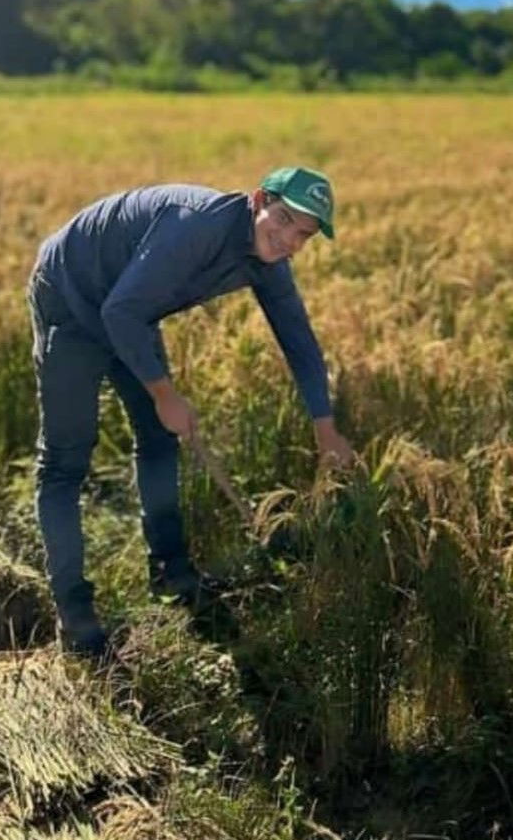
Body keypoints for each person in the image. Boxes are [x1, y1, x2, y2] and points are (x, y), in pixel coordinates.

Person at [27, 166, 353, 658]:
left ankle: (171, 572)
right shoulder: (195, 226)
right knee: (66, 462)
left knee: (159, 440)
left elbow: (299, 340)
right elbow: (120, 312)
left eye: (302, 234)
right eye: (283, 219)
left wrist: (324, 428)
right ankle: (74, 612)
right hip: (73, 301)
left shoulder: (267, 259)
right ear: (259, 198)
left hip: (130, 305)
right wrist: (164, 394)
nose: (288, 238)